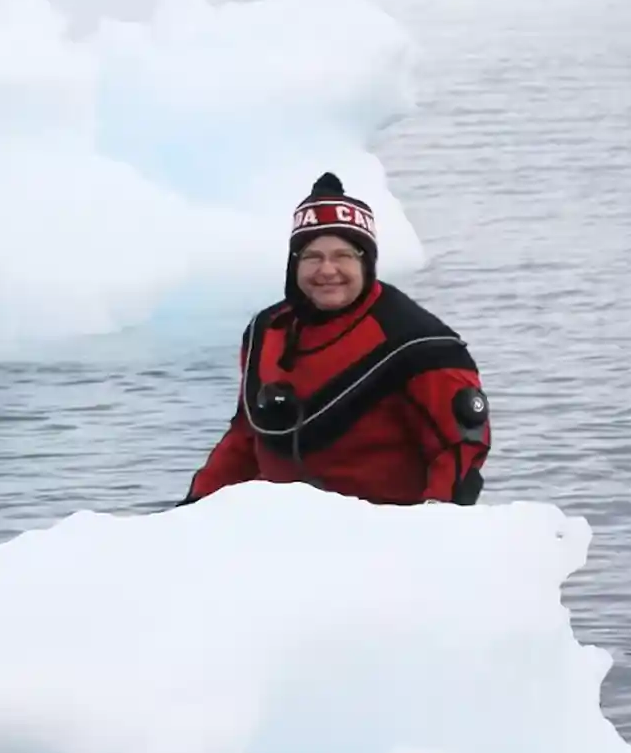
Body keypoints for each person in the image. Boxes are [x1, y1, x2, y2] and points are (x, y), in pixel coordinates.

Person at [181, 173, 490, 507]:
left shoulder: (420, 344)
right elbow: (246, 436)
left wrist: (432, 525)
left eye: (343, 256)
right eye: (312, 257)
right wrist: (194, 507)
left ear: (366, 262)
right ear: (294, 265)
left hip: (383, 526)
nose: (327, 270)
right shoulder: (266, 332)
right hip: (280, 525)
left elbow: (460, 451)